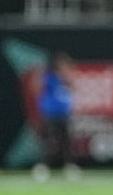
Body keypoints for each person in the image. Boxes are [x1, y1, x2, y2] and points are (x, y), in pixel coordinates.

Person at [33, 51, 80, 181]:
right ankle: (43, 167)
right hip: (51, 114)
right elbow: (37, 88)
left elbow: (73, 88)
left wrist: (67, 77)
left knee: (67, 141)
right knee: (50, 143)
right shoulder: (49, 77)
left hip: (64, 114)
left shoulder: (65, 79)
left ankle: (70, 167)